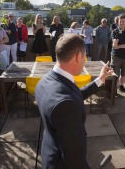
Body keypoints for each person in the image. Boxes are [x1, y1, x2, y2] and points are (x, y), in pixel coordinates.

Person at [35, 34, 113, 168]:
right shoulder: (66, 105)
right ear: (78, 56)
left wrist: (100, 79)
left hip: (49, 152)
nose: (85, 60)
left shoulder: (44, 81)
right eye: (85, 56)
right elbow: (74, 159)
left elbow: (73, 95)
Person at [111, 14, 125, 93]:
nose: (121, 23)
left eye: (123, 21)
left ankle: (121, 86)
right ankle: (114, 89)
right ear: (117, 22)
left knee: (124, 73)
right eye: (120, 21)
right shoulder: (115, 31)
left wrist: (120, 46)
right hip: (116, 56)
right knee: (115, 74)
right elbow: (114, 44)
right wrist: (114, 44)